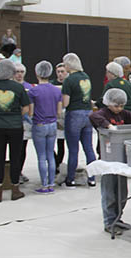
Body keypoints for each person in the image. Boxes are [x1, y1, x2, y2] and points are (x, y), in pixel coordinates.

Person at [89, 89, 131, 235]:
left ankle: (118, 218)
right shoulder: (103, 113)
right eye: (116, 106)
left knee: (122, 192)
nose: (119, 109)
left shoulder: (123, 114)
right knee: (109, 192)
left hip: (122, 160)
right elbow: (93, 116)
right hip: (108, 160)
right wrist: (108, 126)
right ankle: (109, 221)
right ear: (109, 103)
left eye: (122, 106)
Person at [0, 59, 29, 202]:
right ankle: (15, 189)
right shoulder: (18, 87)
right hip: (15, 127)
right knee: (15, 158)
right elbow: (26, 107)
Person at [61, 52, 97, 188]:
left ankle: (70, 179)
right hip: (87, 113)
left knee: (73, 149)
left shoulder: (69, 80)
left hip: (74, 114)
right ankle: (92, 178)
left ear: (69, 64)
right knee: (88, 148)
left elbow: (65, 102)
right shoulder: (86, 77)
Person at [28, 60, 62, 194]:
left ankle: (44, 184)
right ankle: (51, 183)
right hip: (52, 124)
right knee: (50, 155)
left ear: (37, 73)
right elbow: (59, 112)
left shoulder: (33, 91)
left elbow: (30, 112)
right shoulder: (56, 90)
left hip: (39, 124)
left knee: (41, 156)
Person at [51, 62, 68, 175]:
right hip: (53, 117)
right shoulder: (52, 84)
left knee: (61, 144)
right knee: (50, 143)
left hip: (66, 116)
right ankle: (54, 163)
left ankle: (58, 164)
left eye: (62, 72)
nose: (60, 74)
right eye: (58, 72)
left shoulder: (69, 84)